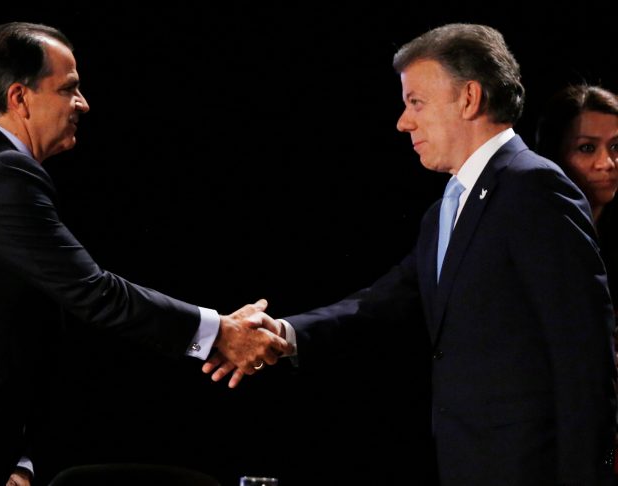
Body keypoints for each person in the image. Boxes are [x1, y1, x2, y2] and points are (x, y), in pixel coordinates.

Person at [0, 22, 289, 486]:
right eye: (69, 89)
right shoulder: (1, 173)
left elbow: (12, 329)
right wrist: (217, 330)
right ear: (19, 98)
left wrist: (15, 458)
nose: (83, 103)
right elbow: (94, 292)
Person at [205, 23, 617, 485]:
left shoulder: (534, 187)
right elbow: (381, 304)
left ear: (469, 98)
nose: (404, 121)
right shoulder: (446, 208)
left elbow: (586, 359)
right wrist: (284, 333)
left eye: (415, 102)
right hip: (468, 463)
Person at [536, 84, 618, 294]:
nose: (606, 163)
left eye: (616, 146)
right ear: (555, 154)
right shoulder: (538, 239)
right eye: (587, 148)